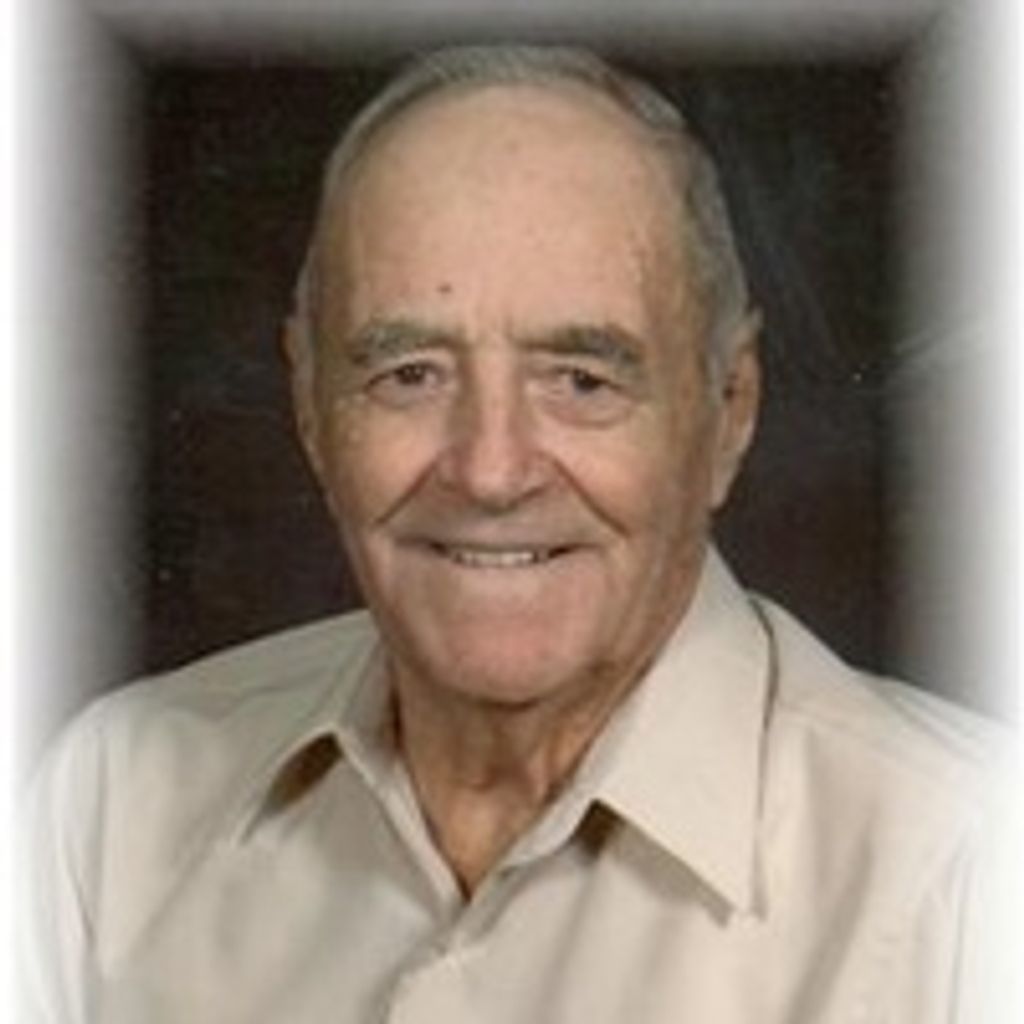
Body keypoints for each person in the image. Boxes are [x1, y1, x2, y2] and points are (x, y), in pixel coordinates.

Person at [21, 44, 1015, 1024]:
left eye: (581, 379)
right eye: (409, 374)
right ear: (311, 405)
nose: (491, 471)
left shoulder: (965, 871)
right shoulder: (112, 807)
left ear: (729, 408)